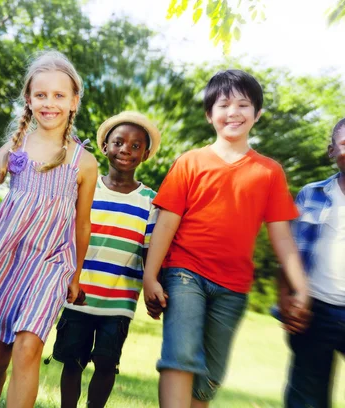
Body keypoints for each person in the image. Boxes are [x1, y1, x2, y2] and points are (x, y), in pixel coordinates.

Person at [143, 69, 310, 408]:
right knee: (181, 354)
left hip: (233, 285)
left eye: (243, 105)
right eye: (223, 104)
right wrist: (150, 275)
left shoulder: (269, 172)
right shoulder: (190, 162)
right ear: (210, 114)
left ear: (257, 114)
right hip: (184, 271)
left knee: (209, 377)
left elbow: (282, 239)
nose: (233, 112)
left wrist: (301, 287)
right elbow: (166, 224)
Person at [0, 50, 98, 408]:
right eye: (41, 95)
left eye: (59, 95)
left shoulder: (84, 163)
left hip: (51, 263)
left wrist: (75, 275)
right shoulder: (14, 150)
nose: (49, 103)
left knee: (28, 347)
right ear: (28, 99)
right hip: (5, 259)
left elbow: (82, 222)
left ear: (74, 101)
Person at [52, 111, 161, 408]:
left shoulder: (151, 201)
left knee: (105, 362)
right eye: (119, 142)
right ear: (105, 147)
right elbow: (67, 233)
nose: (126, 149)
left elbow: (150, 250)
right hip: (79, 292)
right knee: (73, 361)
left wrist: (156, 286)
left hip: (119, 299)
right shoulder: (87, 187)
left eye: (136, 146)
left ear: (146, 154)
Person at [282, 118, 345, 408]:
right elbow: (290, 251)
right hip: (316, 311)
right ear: (331, 150)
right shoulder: (312, 194)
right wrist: (287, 298)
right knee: (306, 399)